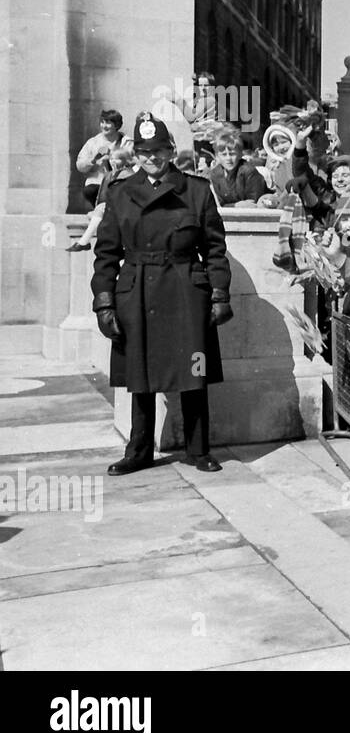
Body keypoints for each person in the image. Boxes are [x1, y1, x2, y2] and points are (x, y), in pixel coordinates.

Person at [91, 115, 231, 476]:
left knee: (193, 371)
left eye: (157, 150)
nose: (150, 157)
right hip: (137, 291)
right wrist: (104, 302)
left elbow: (215, 249)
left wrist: (218, 295)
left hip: (185, 289)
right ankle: (139, 450)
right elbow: (106, 253)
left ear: (170, 150)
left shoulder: (196, 191)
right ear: (135, 154)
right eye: (143, 151)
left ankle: (199, 450)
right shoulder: (120, 193)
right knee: (141, 374)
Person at [208, 127, 271, 207]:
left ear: (240, 154)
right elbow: (218, 204)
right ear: (217, 156)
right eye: (224, 155)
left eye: (232, 154)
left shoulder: (249, 172)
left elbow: (254, 204)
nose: (228, 159)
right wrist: (236, 205)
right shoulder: (215, 174)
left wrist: (231, 206)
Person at [76, 110, 126, 210]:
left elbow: (135, 163)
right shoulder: (93, 142)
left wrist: (115, 160)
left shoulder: (126, 142)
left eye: (108, 123)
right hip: (97, 184)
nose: (104, 126)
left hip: (120, 183)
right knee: (91, 191)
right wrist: (94, 160)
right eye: (102, 122)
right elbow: (80, 166)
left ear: (116, 125)